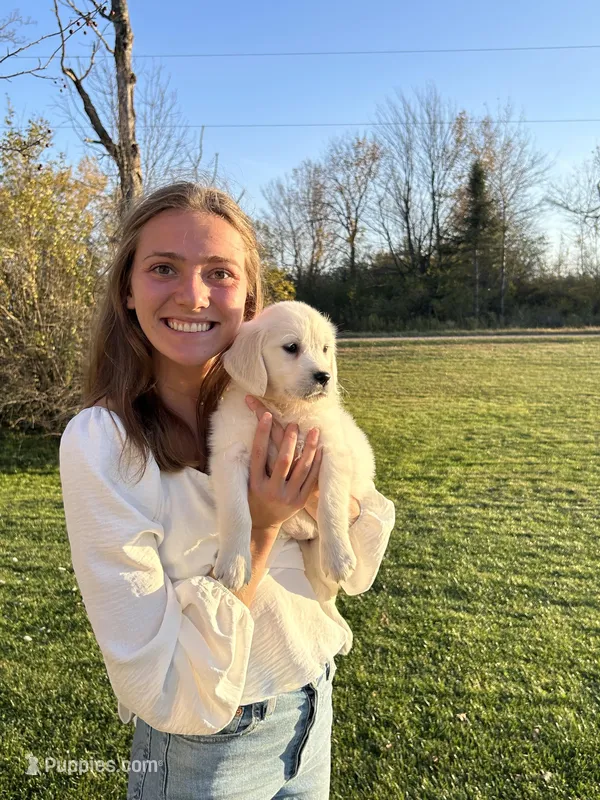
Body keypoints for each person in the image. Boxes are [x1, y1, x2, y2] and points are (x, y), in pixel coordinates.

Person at [59, 182, 396, 800]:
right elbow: (150, 672)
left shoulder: (278, 401)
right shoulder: (103, 442)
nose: (194, 295)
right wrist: (263, 525)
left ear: (250, 302)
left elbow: (351, 566)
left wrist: (318, 497)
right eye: (163, 268)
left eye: (220, 273)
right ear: (127, 289)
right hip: (206, 746)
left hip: (312, 704)